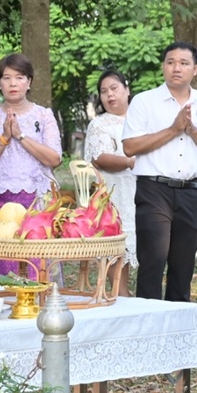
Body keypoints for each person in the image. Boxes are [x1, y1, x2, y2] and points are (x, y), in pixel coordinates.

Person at [121, 43, 197, 302]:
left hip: (191, 192)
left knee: (183, 266)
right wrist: (174, 129)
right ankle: (148, 319)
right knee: (152, 261)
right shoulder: (144, 101)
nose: (176, 68)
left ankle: (177, 321)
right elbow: (130, 146)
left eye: (184, 63)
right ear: (163, 66)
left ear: (196, 69)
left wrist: (192, 130)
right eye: (170, 62)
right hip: (153, 190)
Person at [0, 54, 63, 282]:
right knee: (2, 266)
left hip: (37, 202)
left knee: (37, 267)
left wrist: (20, 136)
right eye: (6, 78)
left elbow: (54, 159)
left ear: (29, 82)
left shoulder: (43, 115)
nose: (13, 83)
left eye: (19, 77)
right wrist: (4, 137)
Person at [83, 69, 138, 297]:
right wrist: (130, 161)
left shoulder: (142, 120)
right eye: (104, 91)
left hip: (145, 191)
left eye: (114, 88)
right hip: (115, 192)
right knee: (118, 247)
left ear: (127, 89)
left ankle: (139, 299)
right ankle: (120, 295)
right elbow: (100, 157)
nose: (109, 95)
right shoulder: (100, 124)